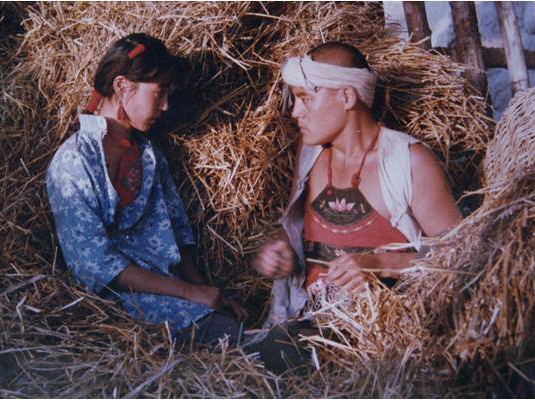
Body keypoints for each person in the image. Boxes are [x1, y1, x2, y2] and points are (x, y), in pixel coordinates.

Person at [251, 41, 462, 371]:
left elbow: (461, 256)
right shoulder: (310, 154)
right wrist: (280, 248)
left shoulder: (408, 161)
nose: (295, 112)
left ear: (347, 97)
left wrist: (381, 263)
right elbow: (296, 227)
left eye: (305, 98)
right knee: (278, 349)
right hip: (311, 321)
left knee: (284, 353)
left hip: (381, 335)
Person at [46, 33, 246, 345]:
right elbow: (94, 267)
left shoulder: (149, 154)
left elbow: (177, 233)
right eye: (159, 92)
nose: (165, 106)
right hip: (119, 313)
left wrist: (209, 293)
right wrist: (189, 293)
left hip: (178, 299)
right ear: (122, 86)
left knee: (238, 329)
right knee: (238, 342)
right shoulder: (74, 161)